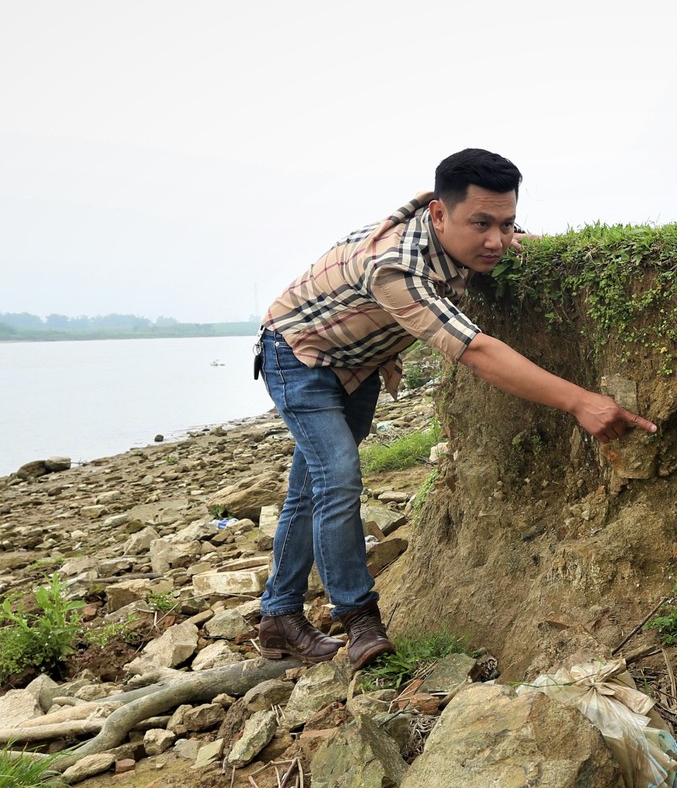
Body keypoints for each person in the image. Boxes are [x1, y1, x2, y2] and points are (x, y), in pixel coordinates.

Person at [253, 148, 656, 670]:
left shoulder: (454, 220)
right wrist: (580, 401)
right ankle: (359, 621)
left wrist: (518, 238)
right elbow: (477, 351)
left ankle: (279, 617)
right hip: (299, 355)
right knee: (338, 477)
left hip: (358, 362)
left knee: (311, 488)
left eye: (507, 224)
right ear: (440, 215)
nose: (496, 240)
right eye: (481, 224)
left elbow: (498, 235)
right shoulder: (394, 266)